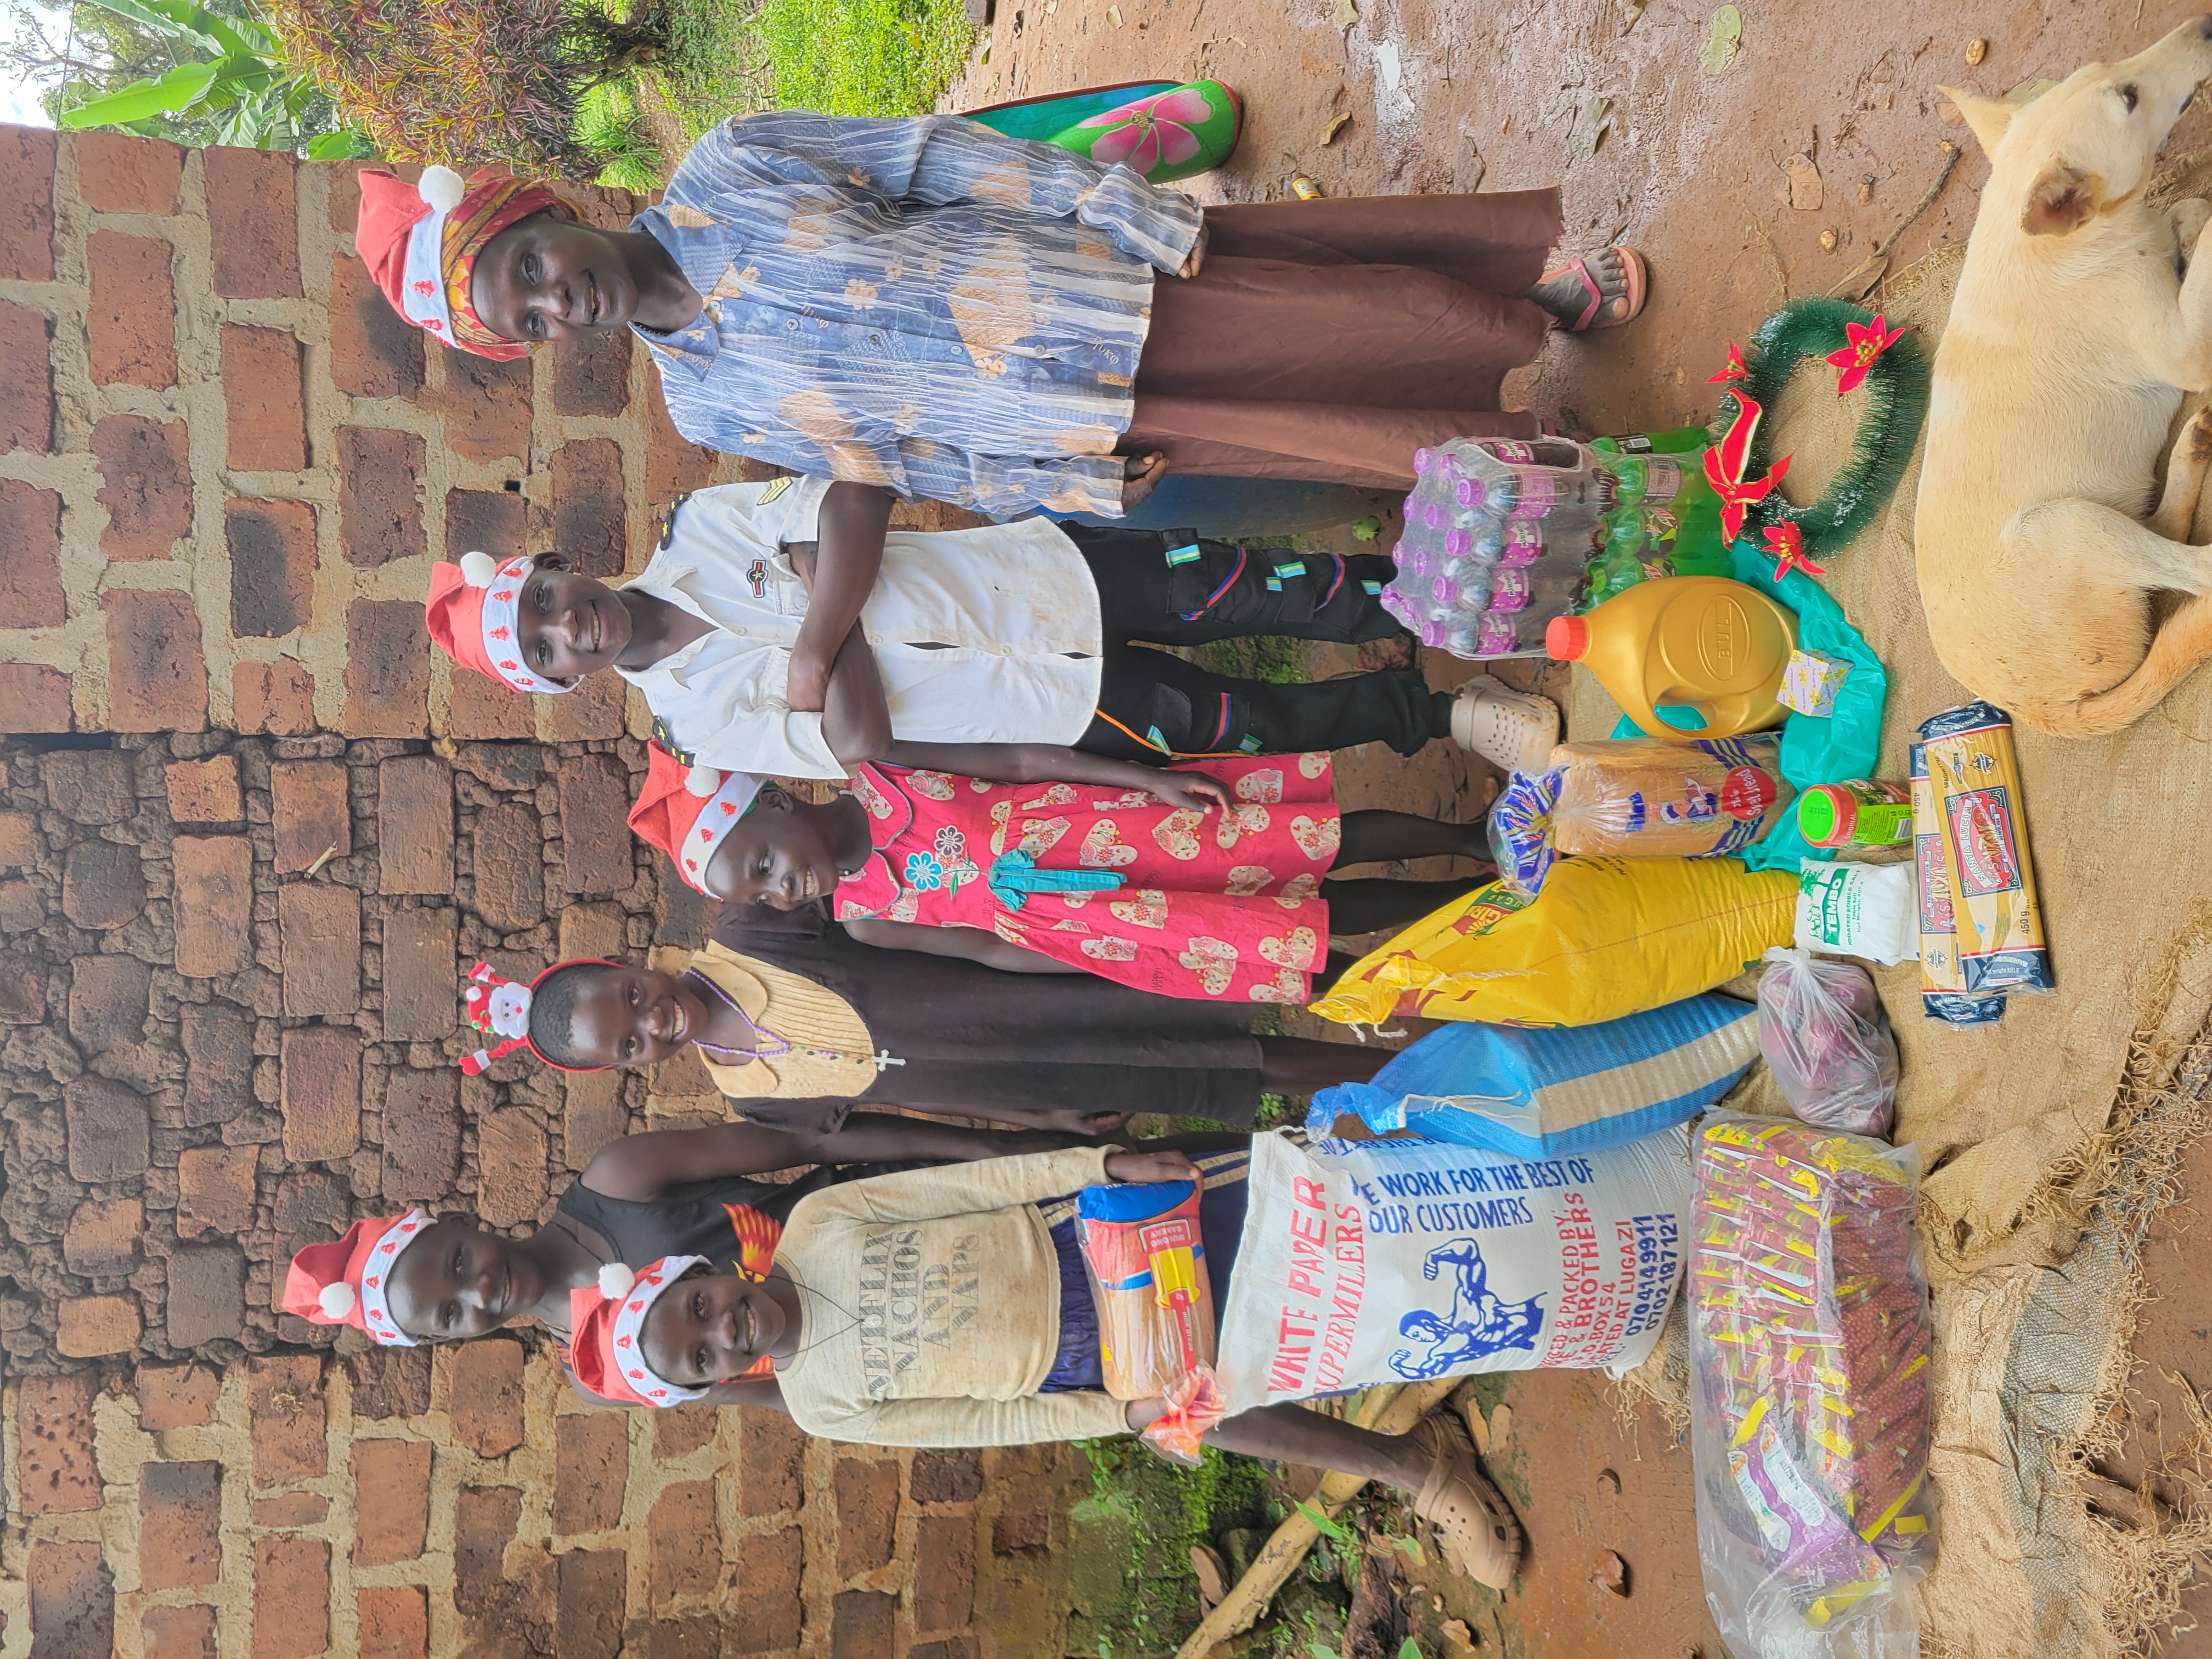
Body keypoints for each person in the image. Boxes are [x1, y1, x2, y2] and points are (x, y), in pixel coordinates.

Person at [349, 118, 1647, 518]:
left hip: (1096, 283)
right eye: (520, 322)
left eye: (524, 268)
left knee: (1328, 304)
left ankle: (1526, 295)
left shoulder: (730, 165)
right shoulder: (703, 401)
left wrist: (1111, 204)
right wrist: (1053, 485)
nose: (546, 301)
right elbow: (890, 463)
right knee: (1324, 435)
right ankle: (1549, 449)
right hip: (1073, 413)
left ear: (544, 213)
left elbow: (927, 159)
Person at [562, 1142, 1526, 1589]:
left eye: (699, 1307)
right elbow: (992, 1422)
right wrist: (1128, 1412)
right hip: (1099, 1363)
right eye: (701, 1357)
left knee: (1308, 1220)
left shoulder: (820, 1225)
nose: (723, 1331)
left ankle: (1462, 1166)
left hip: (1101, 1238)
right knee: (1233, 1400)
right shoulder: (820, 1405)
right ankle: (1419, 1466)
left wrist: (1101, 1168)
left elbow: (975, 1186)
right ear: (714, 1382)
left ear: (707, 1272)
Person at [417, 478, 1557, 774]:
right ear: (564, 683)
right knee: (1250, 723)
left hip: (1047, 579)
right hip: (1050, 711)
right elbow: (861, 747)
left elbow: (858, 502)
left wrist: (816, 650)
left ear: (561, 569)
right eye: (552, 650)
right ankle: (1446, 713)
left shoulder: (703, 529)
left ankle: (1489, 594)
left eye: (549, 603)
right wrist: (826, 587)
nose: (574, 629)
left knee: (1274, 589)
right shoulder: (696, 726)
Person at [628, 746, 1493, 1002]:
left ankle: (1470, 839)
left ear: (777, 800)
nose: (785, 888)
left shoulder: (886, 771)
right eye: (765, 893)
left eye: (766, 862)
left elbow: (1010, 757)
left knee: (1296, 844)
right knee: (1303, 921)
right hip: (1107, 921)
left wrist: (1146, 780)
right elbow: (986, 953)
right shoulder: (863, 913)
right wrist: (1098, 958)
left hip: (1118, 829)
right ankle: (1470, 902)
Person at [279, 1101, 1099, 1352]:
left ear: (461, 1219)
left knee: (1157, 1198)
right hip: (935, 1327)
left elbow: (816, 1140)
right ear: (452, 1340)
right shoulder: (598, 1366)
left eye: (457, 1260)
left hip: (934, 1202)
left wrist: (999, 1143)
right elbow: (771, 1389)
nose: (479, 1288)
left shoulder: (618, 1183)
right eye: (453, 1312)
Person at [501, 904, 1388, 1133]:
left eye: (630, 999)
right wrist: (1034, 1115)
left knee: (1227, 983)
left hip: (1035, 987)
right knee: (1229, 1066)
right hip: (1026, 1075)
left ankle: (1414, 996)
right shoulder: (755, 1099)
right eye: (631, 1046)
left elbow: (915, 924)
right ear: (632, 1068)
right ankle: (1410, 1077)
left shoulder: (749, 929)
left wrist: (1055, 950)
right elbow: (910, 1106)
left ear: (627, 967)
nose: (651, 1023)